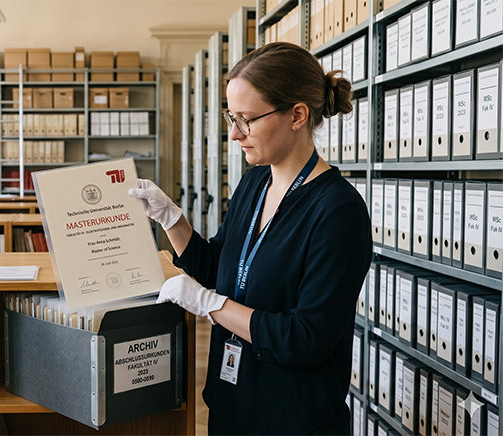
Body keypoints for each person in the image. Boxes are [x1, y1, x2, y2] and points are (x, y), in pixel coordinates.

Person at [129, 42, 372, 435]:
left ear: (297, 115)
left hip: (291, 422)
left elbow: (305, 339)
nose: (233, 134)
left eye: (246, 120)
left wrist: (210, 305)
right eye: (231, 117)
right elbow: (218, 268)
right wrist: (171, 218)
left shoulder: (338, 212)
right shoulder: (255, 182)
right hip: (231, 406)